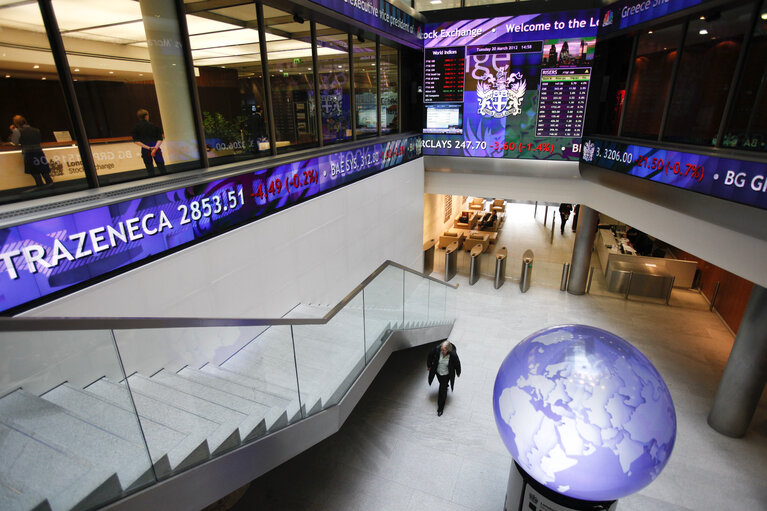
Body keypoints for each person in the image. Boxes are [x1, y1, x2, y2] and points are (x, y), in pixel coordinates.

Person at [9, 115, 53, 187]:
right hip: (39, 153)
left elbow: (14, 142)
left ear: (16, 123)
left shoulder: (17, 131)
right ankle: (53, 191)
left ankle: (42, 193)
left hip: (29, 154)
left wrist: (13, 131)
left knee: (36, 175)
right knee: (45, 174)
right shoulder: (36, 130)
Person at [427, 340, 461, 416]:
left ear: (448, 350)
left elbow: (457, 364)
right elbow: (430, 355)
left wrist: (458, 372)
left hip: (446, 374)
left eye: (443, 350)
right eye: (441, 349)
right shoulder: (437, 350)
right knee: (441, 383)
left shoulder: (453, 355)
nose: (442, 351)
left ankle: (440, 408)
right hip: (438, 372)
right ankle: (445, 385)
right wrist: (429, 365)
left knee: (442, 390)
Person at [131, 108, 166, 176]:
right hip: (156, 148)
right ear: (146, 116)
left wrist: (149, 148)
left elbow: (136, 141)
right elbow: (160, 139)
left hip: (145, 149)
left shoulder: (136, 128)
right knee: (162, 167)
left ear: (139, 117)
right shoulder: (154, 126)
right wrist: (155, 148)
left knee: (150, 169)